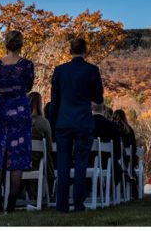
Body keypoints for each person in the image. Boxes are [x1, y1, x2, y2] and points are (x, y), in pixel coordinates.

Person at [51, 37, 104, 212]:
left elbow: (55, 100)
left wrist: (53, 123)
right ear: (85, 51)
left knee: (63, 163)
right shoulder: (92, 70)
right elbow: (98, 98)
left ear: (70, 51)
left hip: (63, 122)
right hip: (83, 121)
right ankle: (78, 203)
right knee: (81, 163)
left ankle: (61, 204)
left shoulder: (59, 71)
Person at [0, 30, 34, 212]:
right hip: (21, 112)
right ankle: (12, 203)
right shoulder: (27, 65)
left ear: (6, 44)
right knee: (18, 156)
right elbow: (28, 86)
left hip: (0, 110)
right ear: (21, 44)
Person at [112, 109, 138, 198]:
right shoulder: (129, 130)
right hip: (128, 160)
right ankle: (129, 178)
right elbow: (134, 146)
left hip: (115, 159)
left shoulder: (112, 128)